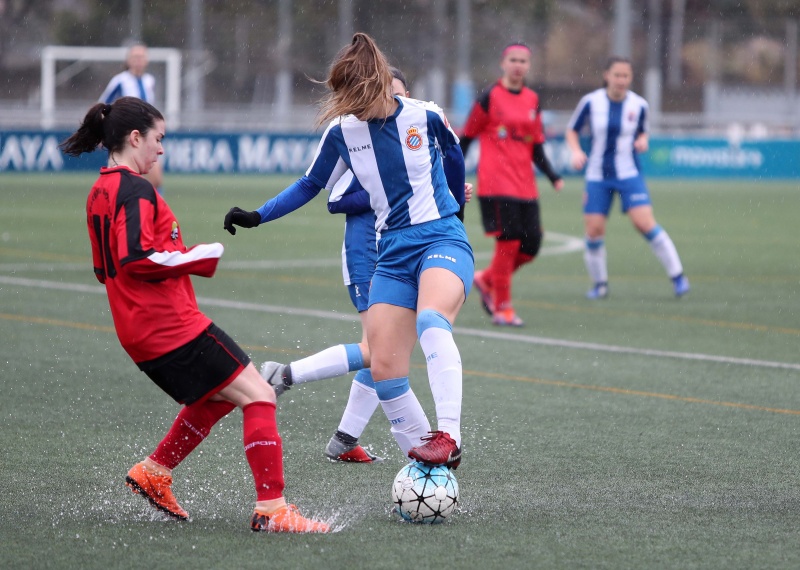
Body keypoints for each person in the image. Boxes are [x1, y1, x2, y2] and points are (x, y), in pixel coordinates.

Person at [59, 96, 328, 533]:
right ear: (134, 138)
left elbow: (102, 268)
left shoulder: (99, 191)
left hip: (138, 331)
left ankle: (155, 471)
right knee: (259, 394)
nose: (160, 149)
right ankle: (273, 509)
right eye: (157, 139)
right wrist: (197, 256)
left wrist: (173, 258)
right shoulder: (136, 189)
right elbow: (136, 258)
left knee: (216, 398)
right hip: (170, 325)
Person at [224, 33, 473, 470]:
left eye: (353, 95)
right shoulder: (342, 133)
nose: (348, 105)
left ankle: (449, 435)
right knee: (383, 369)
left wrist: (456, 215)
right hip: (391, 252)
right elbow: (311, 186)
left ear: (376, 84)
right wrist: (258, 215)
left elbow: (454, 159)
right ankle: (429, 470)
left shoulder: (427, 116)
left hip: (439, 238)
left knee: (433, 319)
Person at [565, 56, 690, 299]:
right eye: (617, 75)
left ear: (631, 78)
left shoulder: (639, 105)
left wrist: (643, 140)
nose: (621, 80)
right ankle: (600, 285)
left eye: (626, 76)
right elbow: (572, 130)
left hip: (629, 173)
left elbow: (643, 132)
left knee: (644, 223)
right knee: (594, 230)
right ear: (607, 76)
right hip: (597, 176)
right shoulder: (591, 102)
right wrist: (576, 150)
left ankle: (678, 277)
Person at [460, 42, 563, 328]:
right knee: (509, 243)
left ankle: (487, 279)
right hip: (495, 184)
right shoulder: (489, 97)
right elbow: (466, 137)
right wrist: (452, 172)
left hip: (525, 186)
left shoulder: (532, 99)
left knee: (531, 246)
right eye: (513, 60)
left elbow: (537, 145)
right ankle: (502, 308)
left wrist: (553, 176)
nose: (518, 65)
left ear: (528, 66)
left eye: (523, 61)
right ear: (503, 64)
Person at [99, 43, 164, 192]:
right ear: (128, 60)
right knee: (126, 176)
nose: (138, 60)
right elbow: (103, 106)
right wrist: (102, 130)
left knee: (155, 179)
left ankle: (152, 210)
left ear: (146, 60)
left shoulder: (149, 81)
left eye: (141, 57)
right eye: (135, 57)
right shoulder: (120, 81)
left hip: (147, 133)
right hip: (127, 135)